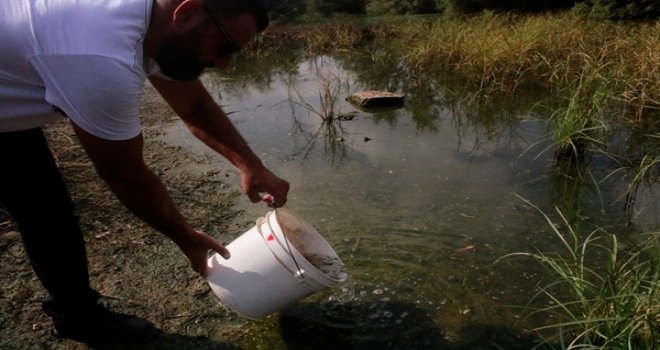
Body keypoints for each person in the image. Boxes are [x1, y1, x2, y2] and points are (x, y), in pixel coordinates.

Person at [0, 0, 289, 344]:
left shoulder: (152, 21)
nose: (224, 64)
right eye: (225, 46)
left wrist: (250, 165)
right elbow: (124, 174)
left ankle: (76, 315)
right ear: (188, 12)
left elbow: (194, 104)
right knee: (43, 207)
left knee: (44, 209)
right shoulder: (100, 59)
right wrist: (185, 236)